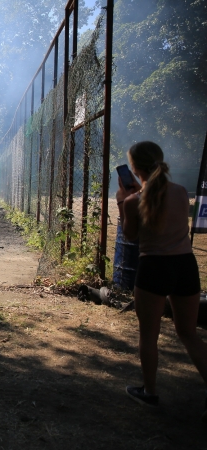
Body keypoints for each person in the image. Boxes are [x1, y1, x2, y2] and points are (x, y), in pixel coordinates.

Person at [117, 141, 207, 420]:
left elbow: (131, 237)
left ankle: (150, 392)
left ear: (133, 169)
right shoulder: (180, 192)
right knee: (189, 333)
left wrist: (123, 204)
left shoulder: (133, 201)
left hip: (153, 268)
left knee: (148, 335)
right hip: (185, 266)